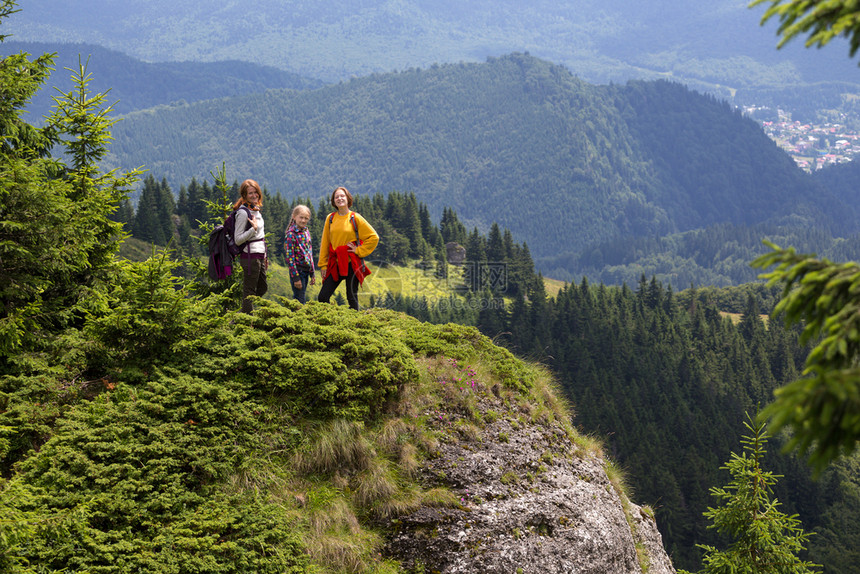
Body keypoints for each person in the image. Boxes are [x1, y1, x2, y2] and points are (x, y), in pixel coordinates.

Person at [317, 186, 379, 310]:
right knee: (323, 296)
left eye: (342, 196)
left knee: (351, 297)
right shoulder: (330, 218)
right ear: (333, 201)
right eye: (336, 197)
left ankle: (354, 327)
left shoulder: (355, 217)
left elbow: (374, 237)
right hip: (336, 262)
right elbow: (325, 242)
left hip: (352, 262)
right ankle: (332, 324)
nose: (339, 198)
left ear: (347, 198)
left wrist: (359, 250)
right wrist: (323, 264)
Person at [233, 179, 268, 313]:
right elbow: (238, 239)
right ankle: (245, 320)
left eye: (256, 192)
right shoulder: (243, 213)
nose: (254, 195)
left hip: (259, 255)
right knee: (250, 291)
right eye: (250, 193)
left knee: (262, 288)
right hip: (249, 257)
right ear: (244, 196)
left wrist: (265, 255)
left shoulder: (256, 210)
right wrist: (252, 229)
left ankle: (243, 313)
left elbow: (261, 235)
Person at [283, 204, 316, 303]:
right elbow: (290, 258)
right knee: (299, 300)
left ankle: (297, 317)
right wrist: (295, 277)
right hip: (298, 271)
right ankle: (297, 318)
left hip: (306, 270)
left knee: (301, 297)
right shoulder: (291, 234)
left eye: (306, 218)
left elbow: (309, 253)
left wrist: (312, 272)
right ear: (294, 217)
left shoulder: (306, 231)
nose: (303, 220)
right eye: (301, 217)